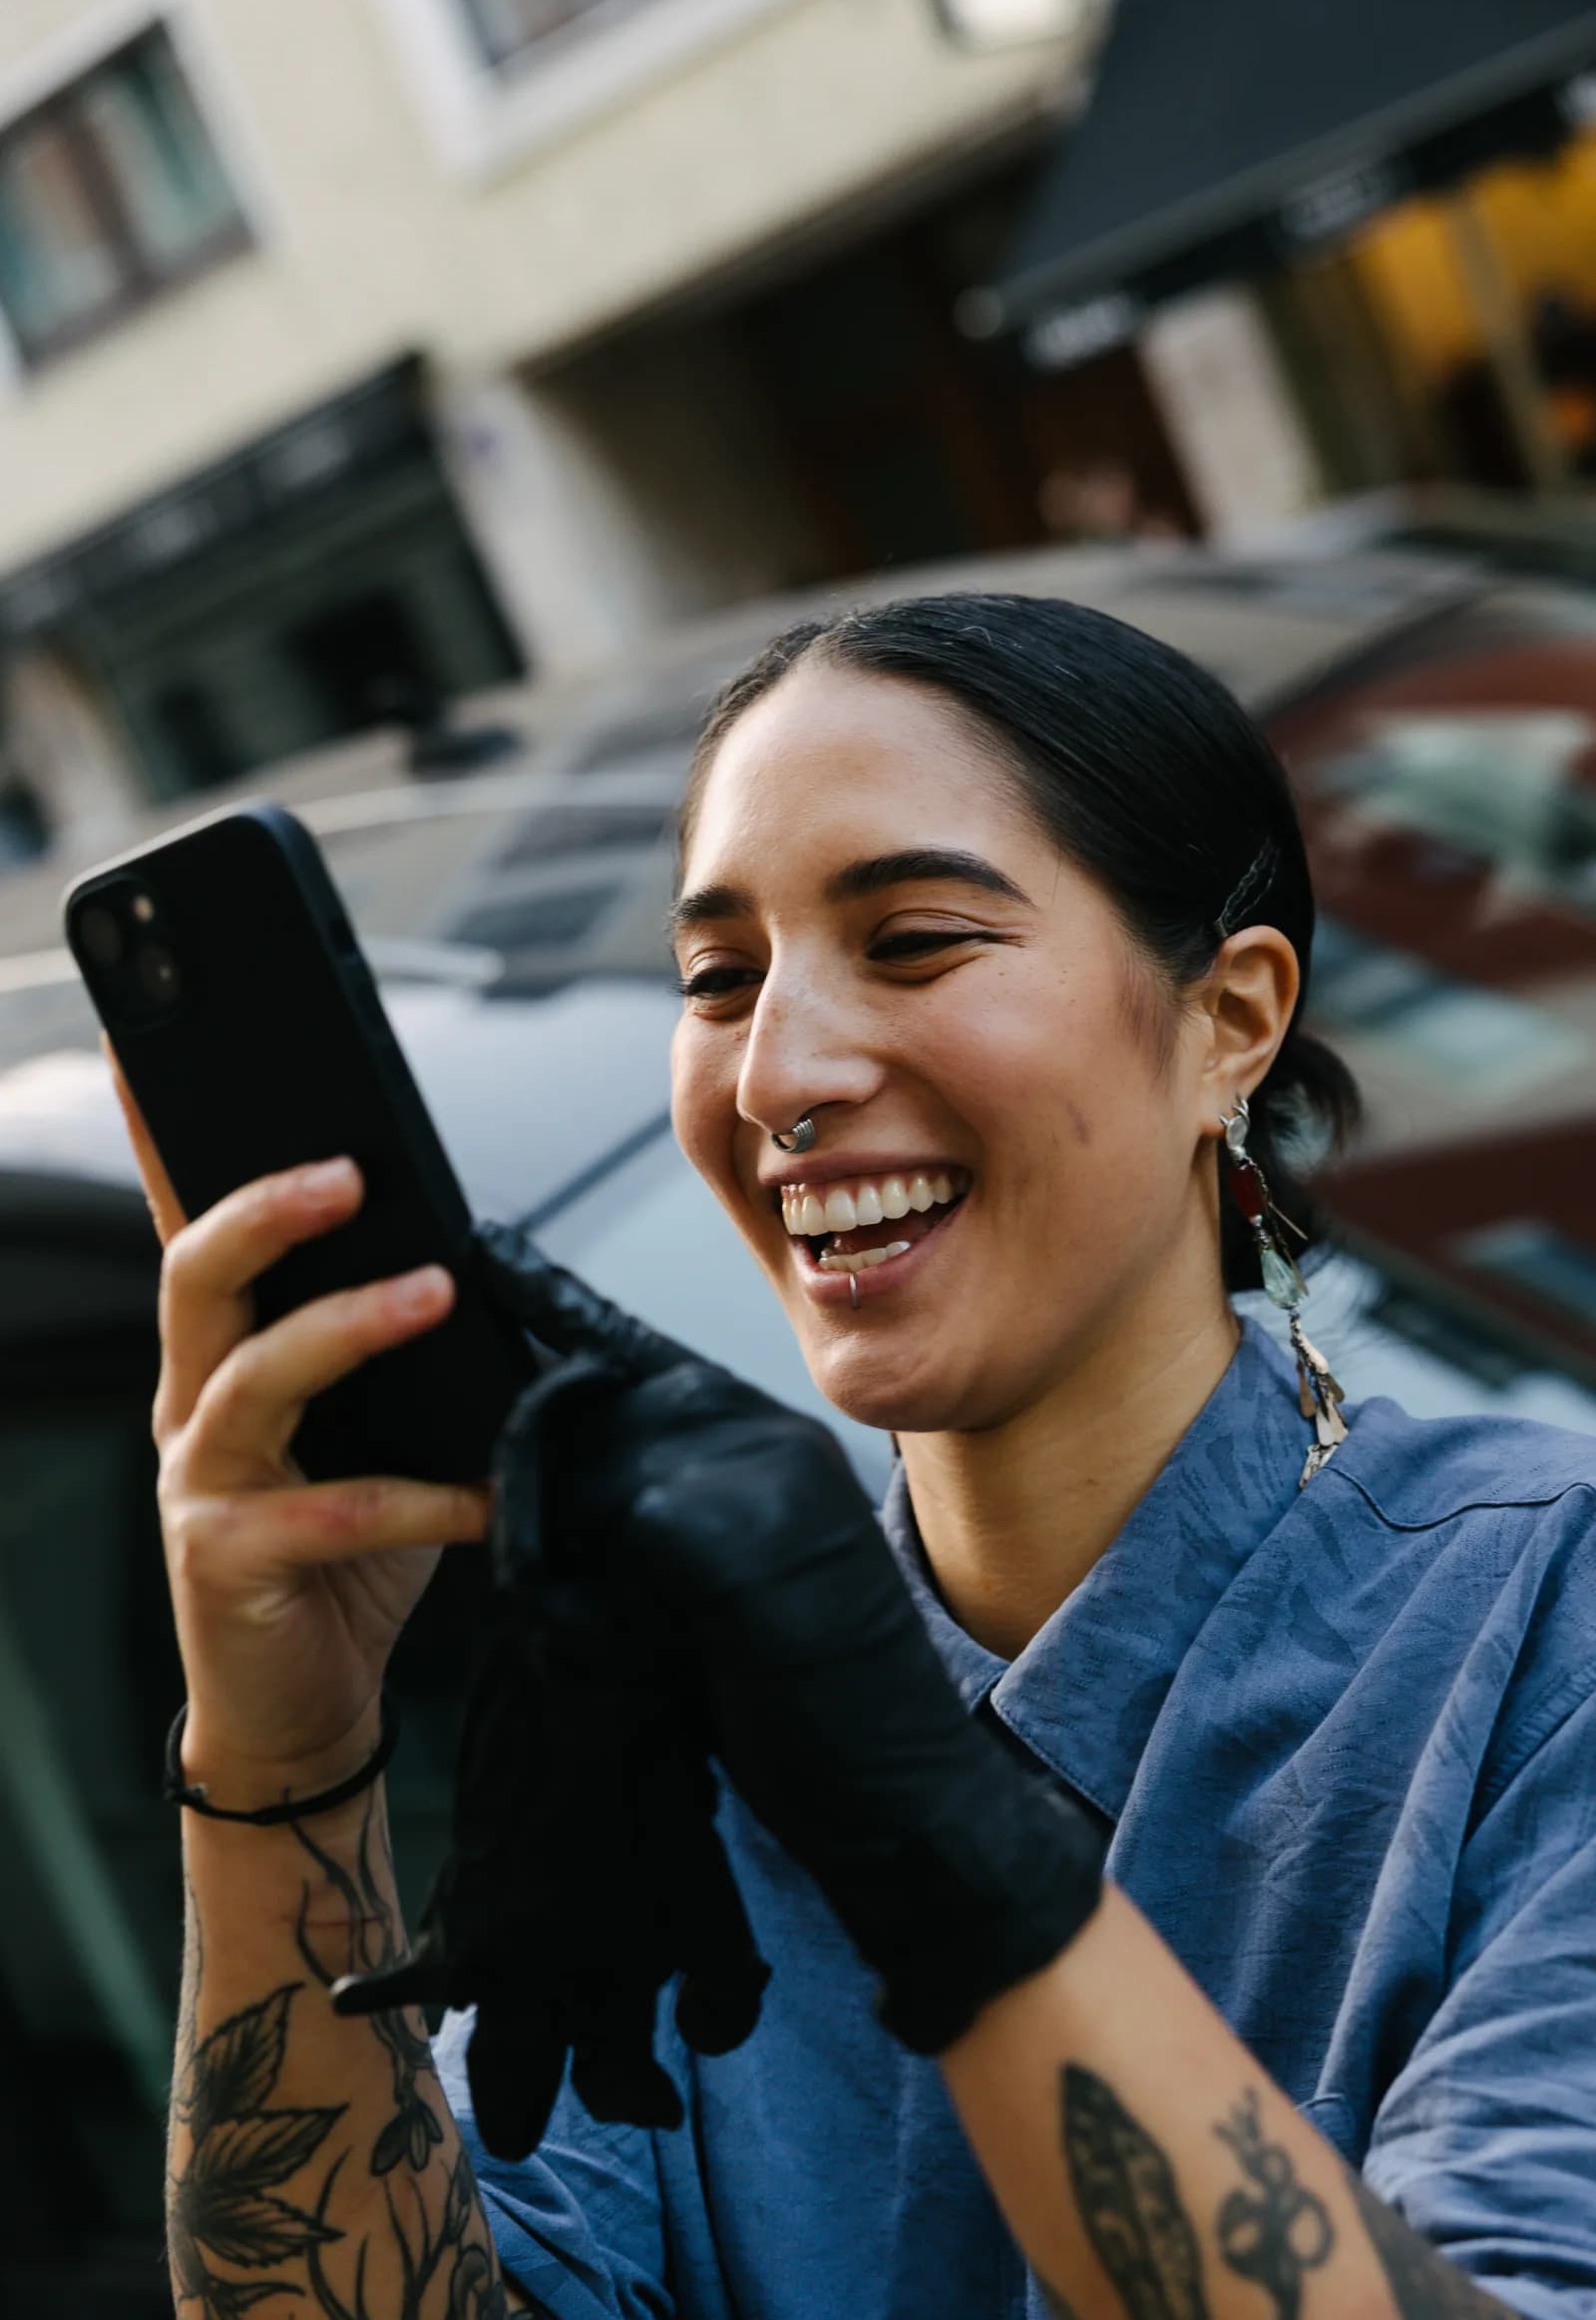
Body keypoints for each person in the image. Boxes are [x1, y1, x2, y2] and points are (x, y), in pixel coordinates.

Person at [123, 593, 1596, 2320]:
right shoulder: (684, 1750)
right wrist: (280, 1754)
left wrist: (910, 1807)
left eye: (913, 940)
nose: (779, 1073)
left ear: (1230, 1021)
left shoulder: (1537, 1624)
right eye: (716, 980)